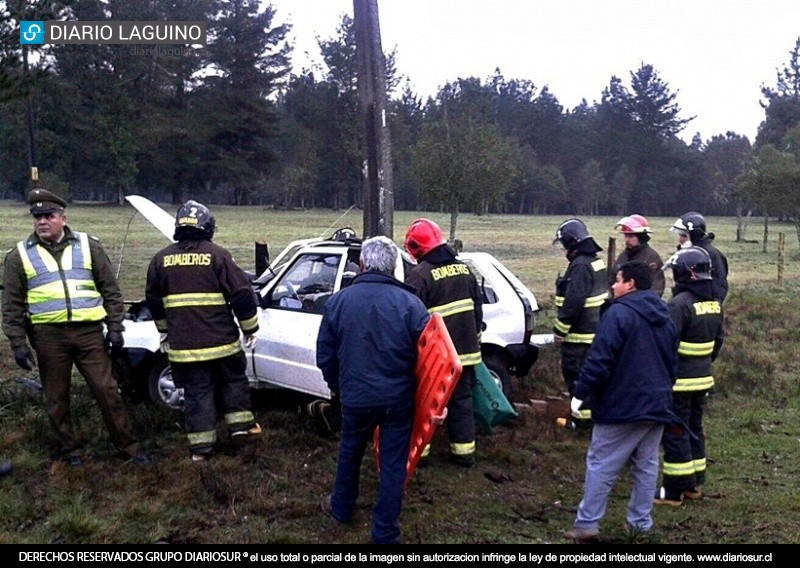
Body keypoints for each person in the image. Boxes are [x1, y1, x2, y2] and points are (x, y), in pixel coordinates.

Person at [2, 188, 150, 467]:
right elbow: (11, 305)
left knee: (107, 390)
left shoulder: (88, 245)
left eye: (48, 216)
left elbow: (111, 290)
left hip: (89, 333)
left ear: (63, 218)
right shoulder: (19, 256)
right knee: (56, 397)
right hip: (48, 338)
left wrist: (116, 327)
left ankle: (129, 448)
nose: (42, 222)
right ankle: (71, 451)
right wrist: (17, 344)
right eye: (37, 217)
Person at [316, 236, 429, 545]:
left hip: (356, 397)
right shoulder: (412, 304)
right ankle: (385, 532)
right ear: (394, 266)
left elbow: (325, 355)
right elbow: (429, 358)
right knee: (393, 465)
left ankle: (340, 508)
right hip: (398, 400)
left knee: (350, 449)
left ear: (362, 264)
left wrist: (338, 388)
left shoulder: (338, 302)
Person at [563, 261, 677, 543]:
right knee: (647, 465)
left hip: (622, 406)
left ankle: (586, 525)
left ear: (631, 285)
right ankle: (640, 525)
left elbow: (600, 359)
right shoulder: (665, 315)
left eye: (617, 280)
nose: (613, 285)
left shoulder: (618, 314)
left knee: (601, 463)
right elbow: (672, 361)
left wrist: (580, 393)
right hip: (658, 404)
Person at [145, 200, 261, 462]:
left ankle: (201, 450)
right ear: (208, 227)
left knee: (198, 394)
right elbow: (242, 294)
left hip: (185, 349)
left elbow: (153, 301)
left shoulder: (160, 260)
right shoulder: (218, 256)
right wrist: (250, 328)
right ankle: (241, 431)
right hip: (223, 345)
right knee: (233, 384)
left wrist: (164, 331)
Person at [404, 218, 483, 467]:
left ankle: (422, 455)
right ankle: (464, 454)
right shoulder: (465, 270)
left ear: (417, 248)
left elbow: (409, 317)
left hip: (436, 357)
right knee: (461, 402)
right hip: (467, 353)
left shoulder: (419, 276)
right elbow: (477, 311)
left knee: (426, 403)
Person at [655, 247, 724, 506]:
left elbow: (666, 344)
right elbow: (718, 341)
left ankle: (673, 491)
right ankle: (694, 484)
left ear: (686, 273)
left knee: (674, 432)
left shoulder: (678, 305)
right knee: (695, 428)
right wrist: (702, 365)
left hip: (679, 382)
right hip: (703, 379)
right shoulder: (714, 303)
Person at [552, 218, 607, 428]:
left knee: (577, 378)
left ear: (571, 242)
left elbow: (573, 303)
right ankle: (592, 419)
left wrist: (559, 330)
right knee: (592, 380)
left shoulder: (581, 266)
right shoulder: (595, 261)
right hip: (595, 333)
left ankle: (582, 423)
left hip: (579, 338)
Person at [670, 212, 729, 302]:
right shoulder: (687, 254)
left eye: (684, 235)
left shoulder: (712, 255)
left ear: (695, 235)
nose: (679, 239)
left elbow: (719, 287)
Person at [608, 214, 665, 297]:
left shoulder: (652, 258)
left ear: (641, 237)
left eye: (631, 236)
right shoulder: (623, 257)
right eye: (626, 236)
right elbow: (612, 281)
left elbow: (657, 289)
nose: (627, 240)